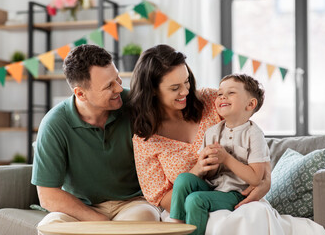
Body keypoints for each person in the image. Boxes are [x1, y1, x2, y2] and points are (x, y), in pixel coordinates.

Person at [128, 44, 271, 215]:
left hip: (237, 198)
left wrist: (266, 181)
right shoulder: (146, 140)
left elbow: (252, 136)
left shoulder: (211, 100)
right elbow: (164, 201)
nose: (185, 91)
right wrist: (197, 170)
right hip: (188, 211)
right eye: (175, 88)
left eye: (186, 81)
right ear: (152, 91)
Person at [31, 44, 160, 232]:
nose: (119, 87)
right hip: (79, 209)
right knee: (50, 226)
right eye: (109, 85)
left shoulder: (134, 104)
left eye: (117, 77)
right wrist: (99, 220)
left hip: (131, 203)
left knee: (145, 217)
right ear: (81, 94)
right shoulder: (54, 124)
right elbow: (48, 195)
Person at [169, 74, 270, 235]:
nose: (222, 96)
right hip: (213, 186)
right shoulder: (212, 132)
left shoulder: (254, 134)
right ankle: (175, 226)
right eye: (220, 93)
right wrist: (210, 165)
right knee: (183, 179)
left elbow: (256, 178)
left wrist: (226, 159)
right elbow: (209, 175)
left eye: (231, 93)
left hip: (236, 193)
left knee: (195, 200)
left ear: (250, 104)